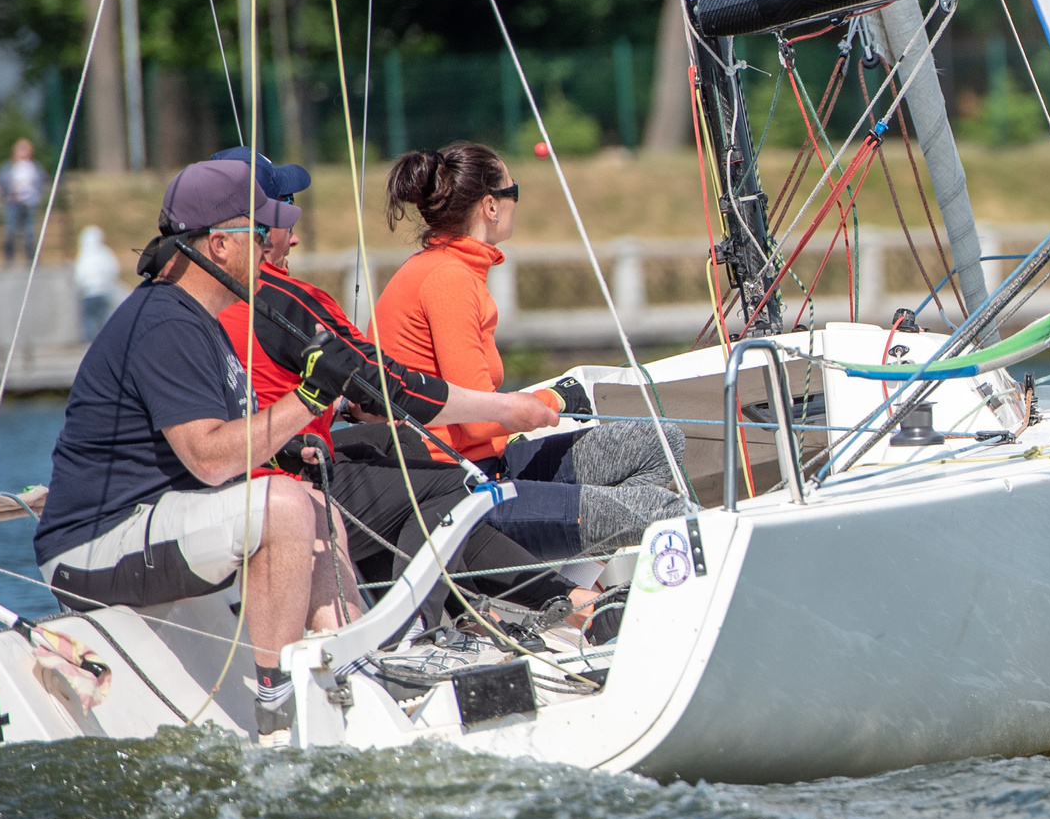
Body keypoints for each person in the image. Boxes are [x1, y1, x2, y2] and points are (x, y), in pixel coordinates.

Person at [193, 152, 600, 631]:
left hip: (213, 492)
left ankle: (495, 609)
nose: (294, 235)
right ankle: (423, 629)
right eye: (281, 217)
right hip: (273, 489)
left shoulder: (187, 302)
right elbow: (390, 388)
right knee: (444, 481)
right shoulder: (286, 301)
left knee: (394, 452)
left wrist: (341, 402)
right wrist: (511, 406)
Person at [33, 161, 354, 740]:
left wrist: (283, 446)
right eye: (261, 234)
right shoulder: (166, 322)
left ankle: (346, 669)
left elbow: (215, 446)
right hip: (92, 546)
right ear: (221, 245)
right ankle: (277, 706)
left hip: (151, 521)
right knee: (283, 507)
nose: (272, 247)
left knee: (313, 505)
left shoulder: (198, 319)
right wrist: (310, 397)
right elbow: (208, 459)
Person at [374, 143, 685, 559]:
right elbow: (480, 423)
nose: (515, 201)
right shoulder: (448, 279)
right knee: (664, 512)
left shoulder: (446, 268)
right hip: (461, 490)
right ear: (490, 206)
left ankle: (576, 561)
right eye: (513, 191)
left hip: (491, 463)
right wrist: (552, 399)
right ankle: (571, 561)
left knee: (660, 442)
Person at [0, 138, 45, 266]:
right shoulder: (8, 167)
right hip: (13, 202)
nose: (23, 153)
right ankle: (9, 257)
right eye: (20, 149)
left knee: (30, 232)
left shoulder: (34, 166)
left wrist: (37, 196)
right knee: (11, 230)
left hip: (30, 202)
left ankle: (31, 258)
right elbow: (2, 182)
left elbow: (40, 182)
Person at [73, 226, 124, 341]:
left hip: (88, 294)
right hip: (103, 292)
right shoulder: (104, 252)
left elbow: (79, 276)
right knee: (104, 320)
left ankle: (90, 345)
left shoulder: (83, 254)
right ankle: (106, 342)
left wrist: (80, 289)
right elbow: (113, 269)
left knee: (90, 321)